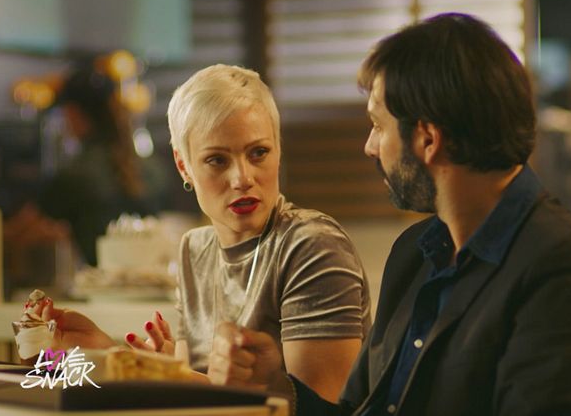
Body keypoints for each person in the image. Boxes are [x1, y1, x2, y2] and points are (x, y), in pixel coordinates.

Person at [206, 13, 571, 415]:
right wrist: (277, 386)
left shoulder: (566, 268)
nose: (369, 147)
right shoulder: (415, 254)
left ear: (428, 140)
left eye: (378, 126)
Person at [34, 64, 371, 402]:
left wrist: (174, 377)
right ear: (184, 166)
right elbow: (199, 393)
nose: (242, 178)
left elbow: (322, 409)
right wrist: (109, 354)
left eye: (258, 153)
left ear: (278, 151)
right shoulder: (194, 248)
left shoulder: (311, 245)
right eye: (217, 160)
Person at [37, 62, 167, 266]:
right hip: (152, 280)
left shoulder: (75, 175)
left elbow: (31, 230)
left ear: (73, 113)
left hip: (100, 283)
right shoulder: (153, 169)